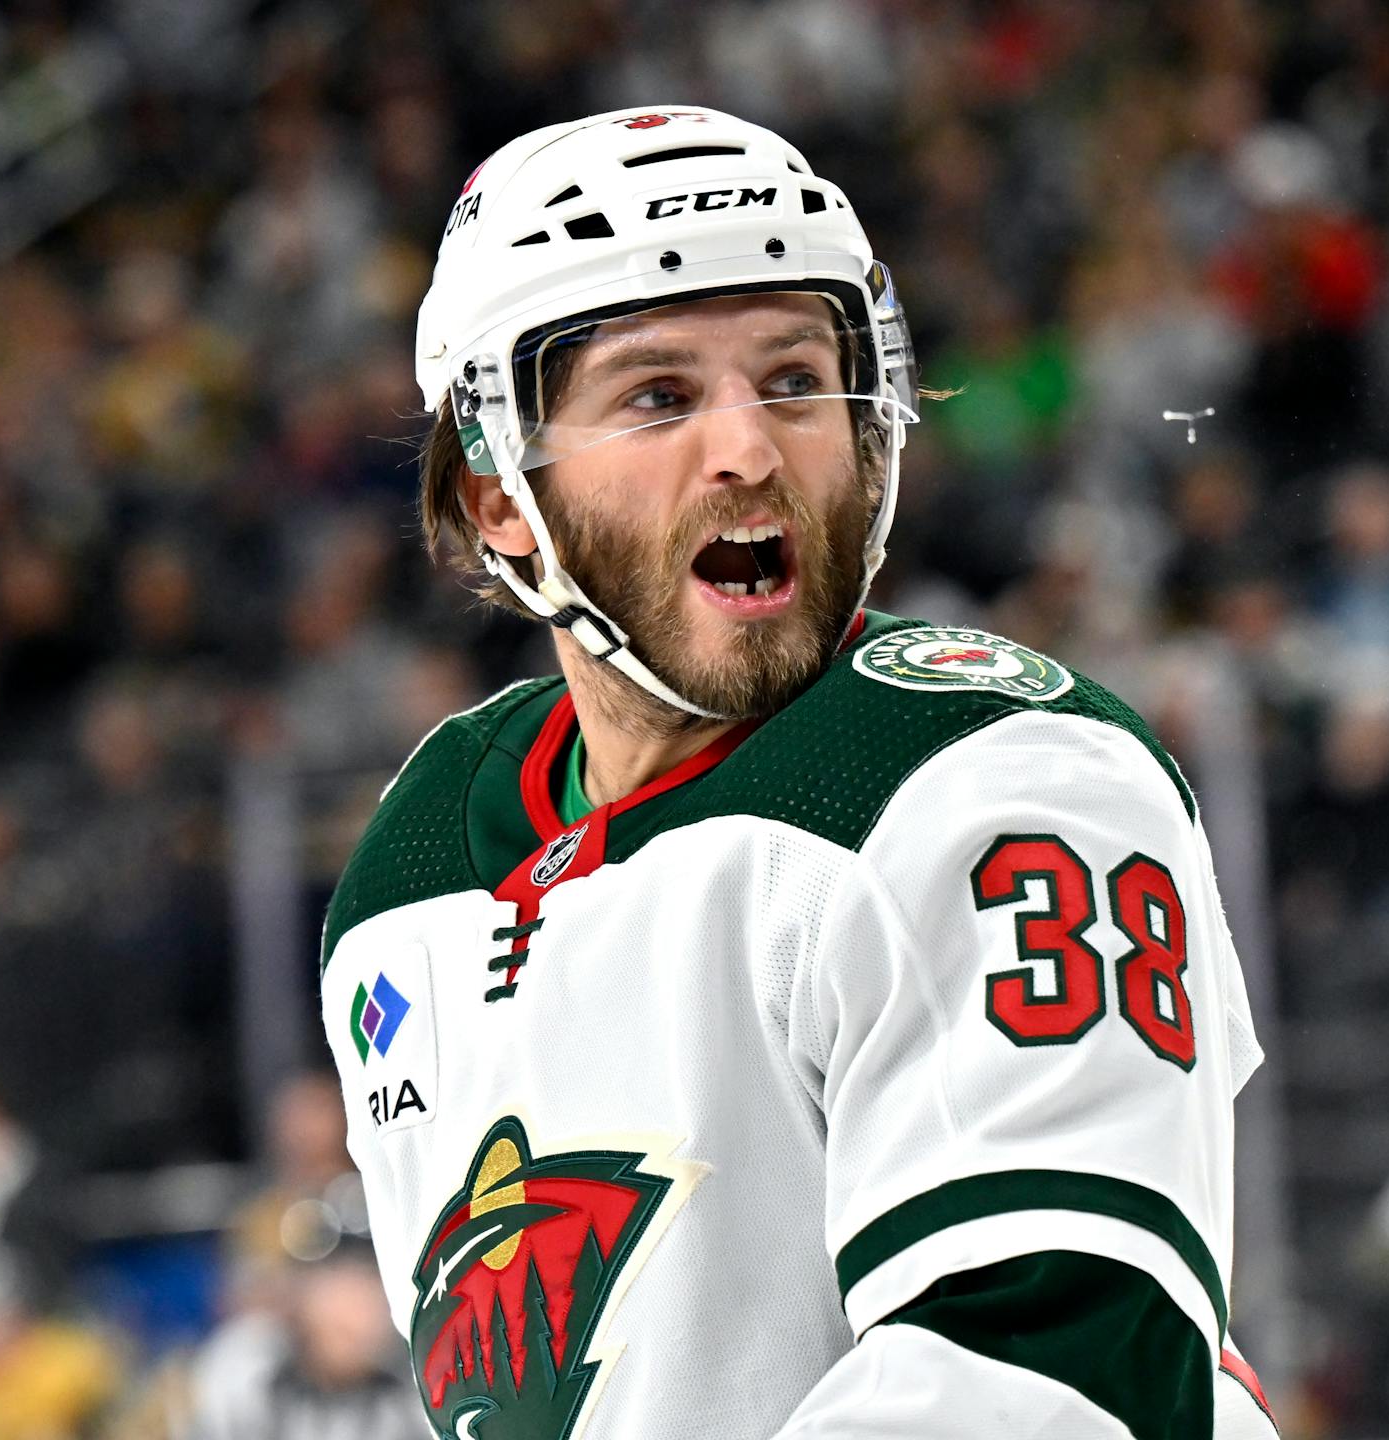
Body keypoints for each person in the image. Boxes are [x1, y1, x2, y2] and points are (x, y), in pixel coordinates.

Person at [321, 106, 1272, 1439]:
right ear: (497, 498)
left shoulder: (998, 779)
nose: (750, 449)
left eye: (792, 379)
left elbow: (1051, 1387)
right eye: (658, 396)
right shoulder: (413, 866)